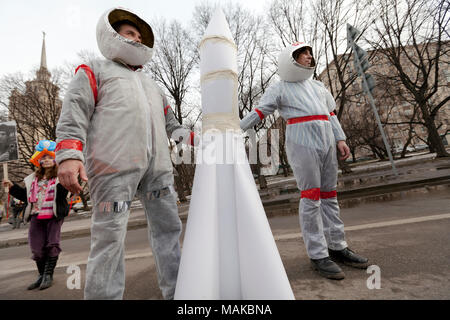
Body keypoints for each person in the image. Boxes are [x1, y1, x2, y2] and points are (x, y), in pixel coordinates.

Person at [55, 7, 194, 300]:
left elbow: (172, 126)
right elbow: (74, 113)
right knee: (109, 240)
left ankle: (178, 293)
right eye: (129, 33)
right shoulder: (93, 70)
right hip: (112, 168)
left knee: (169, 231)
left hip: (158, 170)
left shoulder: (152, 85)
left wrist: (197, 140)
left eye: (139, 36)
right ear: (111, 35)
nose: (136, 39)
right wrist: (69, 154)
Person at [240, 42, 369, 280]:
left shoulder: (319, 87)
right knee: (311, 198)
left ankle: (337, 246)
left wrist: (340, 138)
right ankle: (318, 254)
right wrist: (233, 129)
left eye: (310, 53)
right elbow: (259, 113)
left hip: (327, 140)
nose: (310, 56)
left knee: (330, 195)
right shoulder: (280, 88)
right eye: (304, 54)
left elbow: (330, 114)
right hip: (302, 142)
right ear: (291, 59)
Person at [2, 139, 70, 290]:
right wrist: (12, 186)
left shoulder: (61, 175)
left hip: (54, 215)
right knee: (37, 247)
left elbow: (65, 192)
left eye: (49, 156)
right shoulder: (32, 178)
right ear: (38, 159)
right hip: (35, 215)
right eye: (43, 157)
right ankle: (41, 275)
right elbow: (25, 196)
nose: (46, 160)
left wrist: (67, 177)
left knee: (52, 244)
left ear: (55, 158)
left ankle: (48, 275)